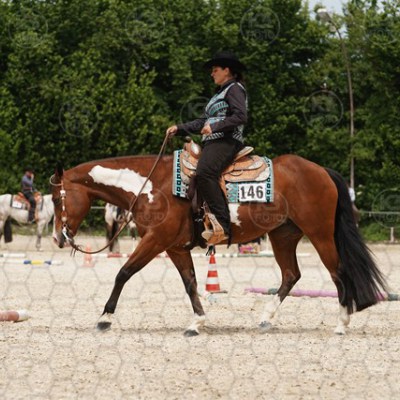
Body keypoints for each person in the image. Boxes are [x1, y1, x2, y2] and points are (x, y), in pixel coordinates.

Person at [166, 51, 247, 244]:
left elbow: (240, 116)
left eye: (215, 70)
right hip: (212, 142)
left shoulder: (235, 89)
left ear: (227, 70)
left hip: (227, 140)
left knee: (205, 172)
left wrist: (215, 126)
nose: (212, 74)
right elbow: (202, 121)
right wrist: (179, 128)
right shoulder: (217, 95)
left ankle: (223, 226)